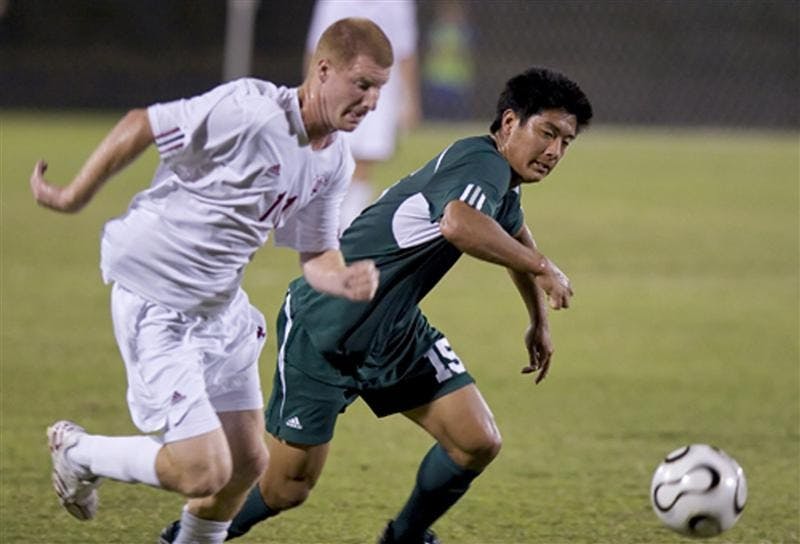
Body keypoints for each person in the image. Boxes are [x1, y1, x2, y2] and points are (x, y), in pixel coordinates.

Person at [161, 66, 593, 543]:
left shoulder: (500, 180)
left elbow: (513, 229)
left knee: (475, 441)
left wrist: (537, 320)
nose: (554, 151)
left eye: (566, 142)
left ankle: (403, 538)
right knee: (287, 487)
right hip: (326, 327)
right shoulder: (480, 163)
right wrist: (543, 267)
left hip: (394, 332)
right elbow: (459, 224)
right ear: (510, 123)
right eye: (547, 133)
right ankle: (185, 536)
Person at [31, 17, 392, 544]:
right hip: (156, 295)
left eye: (379, 88)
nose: (372, 101)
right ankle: (79, 454)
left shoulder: (334, 159)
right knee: (203, 471)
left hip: (218, 307)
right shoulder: (250, 111)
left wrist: (342, 279)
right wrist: (73, 195)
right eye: (362, 84)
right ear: (322, 71)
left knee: (247, 464)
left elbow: (315, 252)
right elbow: (143, 123)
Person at [305, 0, 422, 231]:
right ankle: (331, 211)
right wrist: (311, 89)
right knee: (335, 149)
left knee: (366, 154)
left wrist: (409, 98)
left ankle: (351, 214)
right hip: (338, 83)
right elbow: (317, 48)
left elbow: (405, 51)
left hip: (380, 85)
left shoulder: (398, 4)